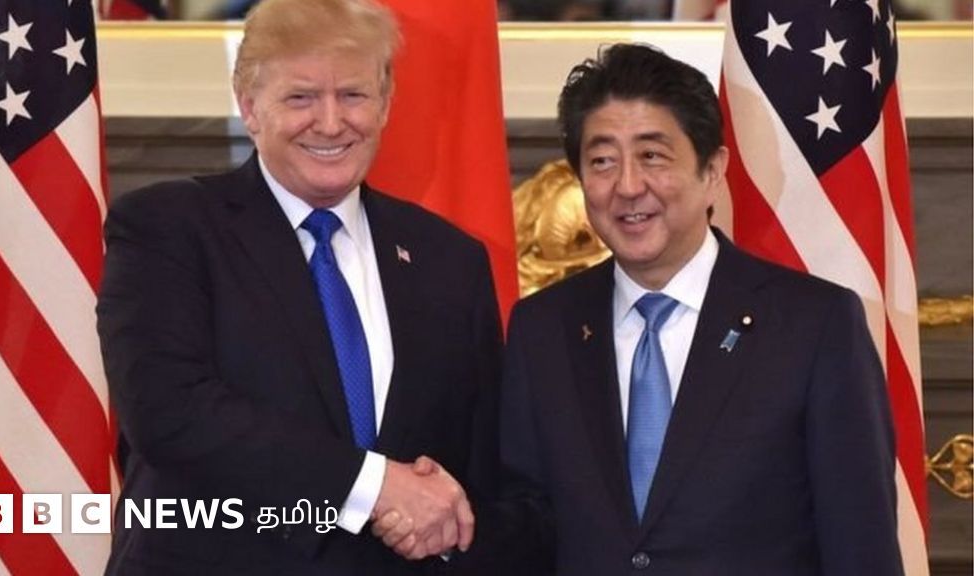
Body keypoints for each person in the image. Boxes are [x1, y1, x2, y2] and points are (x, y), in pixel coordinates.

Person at [96, 0, 502, 573]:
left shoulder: (450, 259)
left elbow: (483, 464)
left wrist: (447, 525)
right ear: (249, 106)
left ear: (386, 104)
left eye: (353, 95)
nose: (331, 123)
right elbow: (168, 412)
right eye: (300, 98)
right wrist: (373, 485)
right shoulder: (169, 227)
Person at [495, 43, 904, 574]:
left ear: (712, 171)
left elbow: (861, 544)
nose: (627, 186)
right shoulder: (543, 328)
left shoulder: (815, 325)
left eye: (652, 156)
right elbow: (524, 525)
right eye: (602, 161)